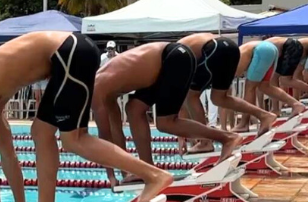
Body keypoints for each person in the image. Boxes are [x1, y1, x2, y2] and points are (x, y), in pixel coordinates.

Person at [0, 32, 174, 202]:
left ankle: (153, 175)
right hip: (69, 53)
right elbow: (8, 158)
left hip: (67, 51)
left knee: (75, 139)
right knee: (40, 131)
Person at [94, 42, 241, 179]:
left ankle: (227, 138)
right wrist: (123, 173)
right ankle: (147, 168)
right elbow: (115, 133)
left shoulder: (97, 89)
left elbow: (104, 138)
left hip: (174, 58)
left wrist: (111, 177)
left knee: (165, 123)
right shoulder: (103, 91)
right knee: (133, 108)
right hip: (164, 64)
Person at [176, 34, 278, 152]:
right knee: (219, 98)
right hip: (231, 47)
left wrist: (181, 137)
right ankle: (264, 115)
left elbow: (179, 105)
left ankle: (205, 142)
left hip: (214, 48)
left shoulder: (168, 63)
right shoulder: (173, 51)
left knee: (190, 96)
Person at [232, 40, 307, 132]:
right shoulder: (234, 53)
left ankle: (244, 124)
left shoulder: (228, 62)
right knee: (265, 86)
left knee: (249, 88)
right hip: (271, 49)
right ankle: (296, 104)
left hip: (262, 50)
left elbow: (236, 75)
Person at [266, 37, 308, 104]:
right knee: (276, 79)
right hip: (291, 47)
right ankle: (277, 108)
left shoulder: (261, 49)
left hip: (292, 48)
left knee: (286, 80)